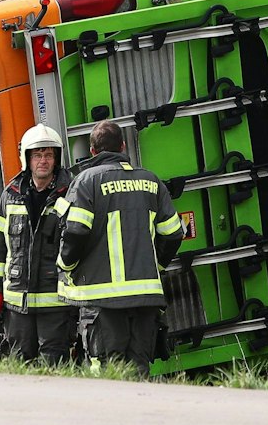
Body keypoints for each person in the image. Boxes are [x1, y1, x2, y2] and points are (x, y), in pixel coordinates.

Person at [56, 120, 184, 374]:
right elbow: (173, 234)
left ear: (93, 151)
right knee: (139, 368)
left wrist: (65, 264)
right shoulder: (151, 181)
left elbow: (76, 231)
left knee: (109, 370)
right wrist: (156, 266)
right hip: (145, 297)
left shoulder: (86, 182)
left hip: (103, 300)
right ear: (123, 146)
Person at [0, 123, 75, 363]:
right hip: (17, 304)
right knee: (20, 366)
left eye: (48, 155)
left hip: (56, 303)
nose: (43, 161)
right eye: (37, 155)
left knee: (55, 366)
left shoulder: (71, 193)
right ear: (27, 158)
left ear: (56, 159)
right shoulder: (10, 195)